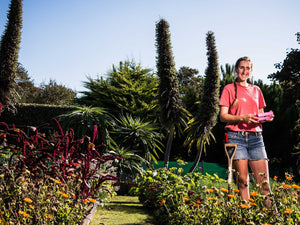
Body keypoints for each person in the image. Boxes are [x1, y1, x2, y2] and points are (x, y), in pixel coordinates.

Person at [219, 56, 274, 208]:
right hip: (236, 137)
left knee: (264, 182)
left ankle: (273, 217)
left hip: (256, 138)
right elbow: (223, 116)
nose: (244, 71)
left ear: (251, 70)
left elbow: (259, 115)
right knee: (243, 181)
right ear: (236, 69)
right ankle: (246, 215)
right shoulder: (229, 89)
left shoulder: (256, 90)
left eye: (248, 68)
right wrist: (242, 118)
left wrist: (266, 118)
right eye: (241, 67)